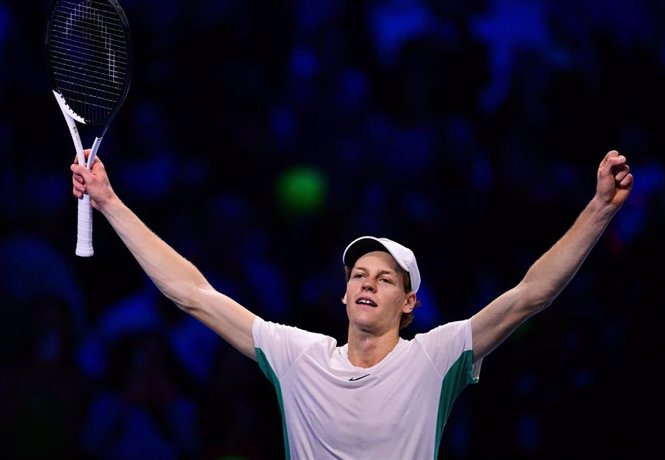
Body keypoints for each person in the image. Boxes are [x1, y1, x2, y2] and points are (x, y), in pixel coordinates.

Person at [71, 149, 633, 459]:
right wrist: (109, 201)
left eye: (385, 279)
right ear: (343, 293)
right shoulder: (298, 356)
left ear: (409, 302)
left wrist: (600, 210)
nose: (367, 283)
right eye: (359, 275)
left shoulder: (435, 359)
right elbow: (192, 294)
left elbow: (531, 295)